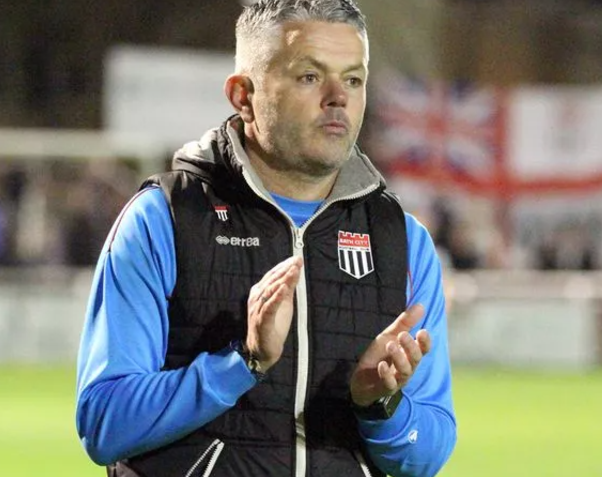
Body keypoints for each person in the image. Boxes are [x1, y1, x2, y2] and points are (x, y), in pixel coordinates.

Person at [75, 1, 456, 476]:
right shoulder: (164, 219)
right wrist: (242, 363)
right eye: (309, 77)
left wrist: (380, 405)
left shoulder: (401, 239)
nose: (337, 96)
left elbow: (429, 453)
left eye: (353, 79)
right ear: (243, 95)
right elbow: (104, 424)